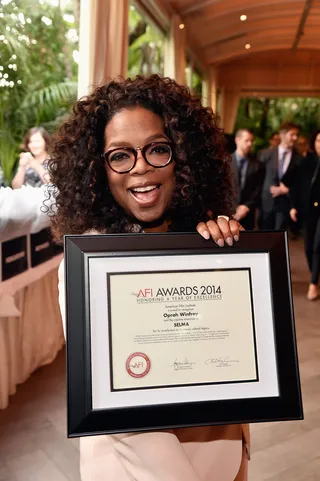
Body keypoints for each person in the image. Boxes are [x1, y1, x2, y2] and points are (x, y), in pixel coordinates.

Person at [48, 75, 249, 481]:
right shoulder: (88, 263)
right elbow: (120, 412)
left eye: (158, 149)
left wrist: (234, 263)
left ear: (184, 155)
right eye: (120, 156)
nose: (140, 167)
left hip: (226, 457)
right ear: (98, 170)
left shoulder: (206, 236)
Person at [290, 128, 320, 301]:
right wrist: (293, 206)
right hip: (309, 210)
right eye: (318, 141)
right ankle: (315, 273)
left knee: (317, 245)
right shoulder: (306, 161)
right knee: (308, 246)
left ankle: (313, 283)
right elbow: (296, 185)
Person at [259, 121, 302, 230]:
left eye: (296, 135)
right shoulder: (266, 154)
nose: (295, 138)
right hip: (266, 203)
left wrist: (286, 190)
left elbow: (300, 184)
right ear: (282, 135)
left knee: (279, 239)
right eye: (292, 134)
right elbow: (258, 179)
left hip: (284, 205)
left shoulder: (299, 159)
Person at [231, 129, 265, 230]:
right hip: (228, 214)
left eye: (251, 141)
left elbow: (259, 189)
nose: (250, 144)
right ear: (237, 140)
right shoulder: (225, 162)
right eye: (247, 140)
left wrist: (246, 206)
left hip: (247, 215)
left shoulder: (258, 165)